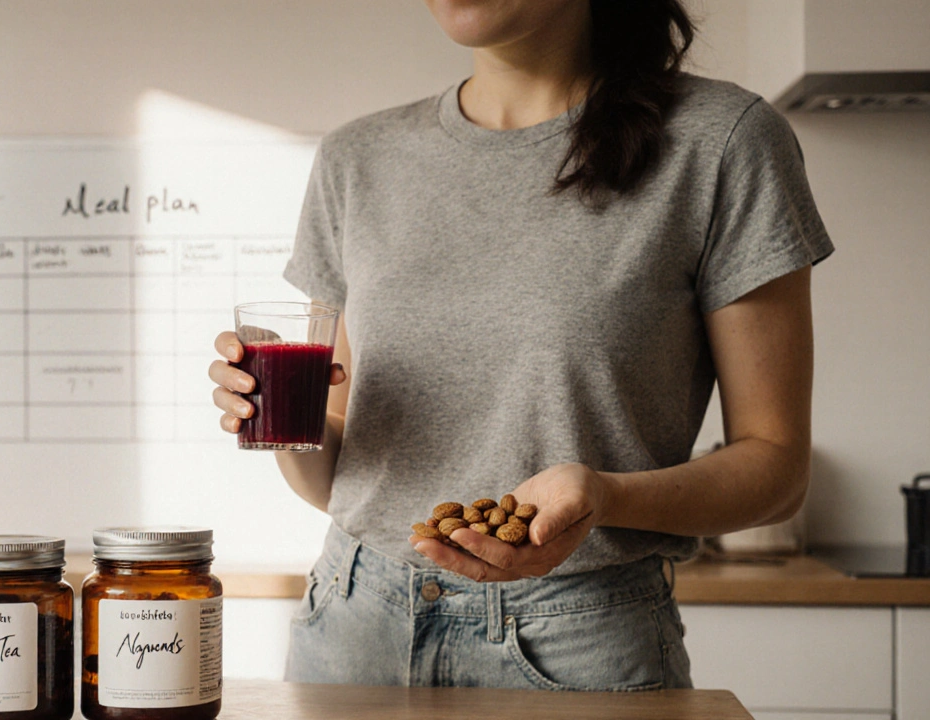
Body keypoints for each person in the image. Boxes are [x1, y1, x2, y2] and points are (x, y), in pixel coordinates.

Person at [209, 0, 832, 690]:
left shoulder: (722, 141)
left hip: (579, 641)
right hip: (351, 627)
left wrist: (605, 496)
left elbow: (777, 469)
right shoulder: (356, 159)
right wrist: (276, 419)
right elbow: (343, 473)